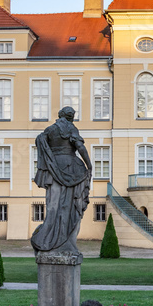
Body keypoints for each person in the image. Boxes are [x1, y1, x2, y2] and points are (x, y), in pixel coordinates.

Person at [30, 106, 93, 257]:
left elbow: (42, 145)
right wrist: (89, 165)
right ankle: (67, 243)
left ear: (60, 116)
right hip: (73, 168)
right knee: (72, 207)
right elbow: (80, 147)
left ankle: (47, 239)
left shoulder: (49, 130)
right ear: (71, 117)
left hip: (54, 168)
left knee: (53, 206)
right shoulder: (71, 128)